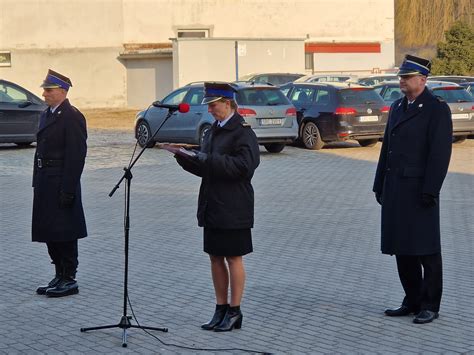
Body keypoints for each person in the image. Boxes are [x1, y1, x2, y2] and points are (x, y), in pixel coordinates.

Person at [373, 55, 452, 324]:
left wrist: (431, 190)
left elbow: (439, 154)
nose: (402, 81)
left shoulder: (435, 108)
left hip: (420, 190)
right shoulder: (397, 106)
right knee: (401, 247)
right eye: (401, 77)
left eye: (407, 78)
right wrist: (379, 183)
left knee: (426, 250)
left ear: (422, 79)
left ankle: (430, 304)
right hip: (396, 188)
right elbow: (388, 147)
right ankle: (412, 298)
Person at [175, 82, 260, 331]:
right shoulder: (212, 130)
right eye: (209, 106)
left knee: (233, 257)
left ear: (228, 103)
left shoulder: (242, 132)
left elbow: (245, 167)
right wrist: (184, 157)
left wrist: (207, 159)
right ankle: (220, 308)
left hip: (234, 205)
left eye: (213, 105)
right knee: (215, 257)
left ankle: (235, 311)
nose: (210, 110)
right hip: (212, 203)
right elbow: (206, 166)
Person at [32, 69, 88, 297]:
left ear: (63, 92)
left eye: (49, 90)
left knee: (65, 230)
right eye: (44, 90)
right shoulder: (47, 114)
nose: (44, 94)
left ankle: (69, 277)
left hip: (61, 180)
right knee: (49, 229)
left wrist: (68, 188)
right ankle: (58, 272)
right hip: (46, 180)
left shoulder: (72, 116)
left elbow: (76, 155)